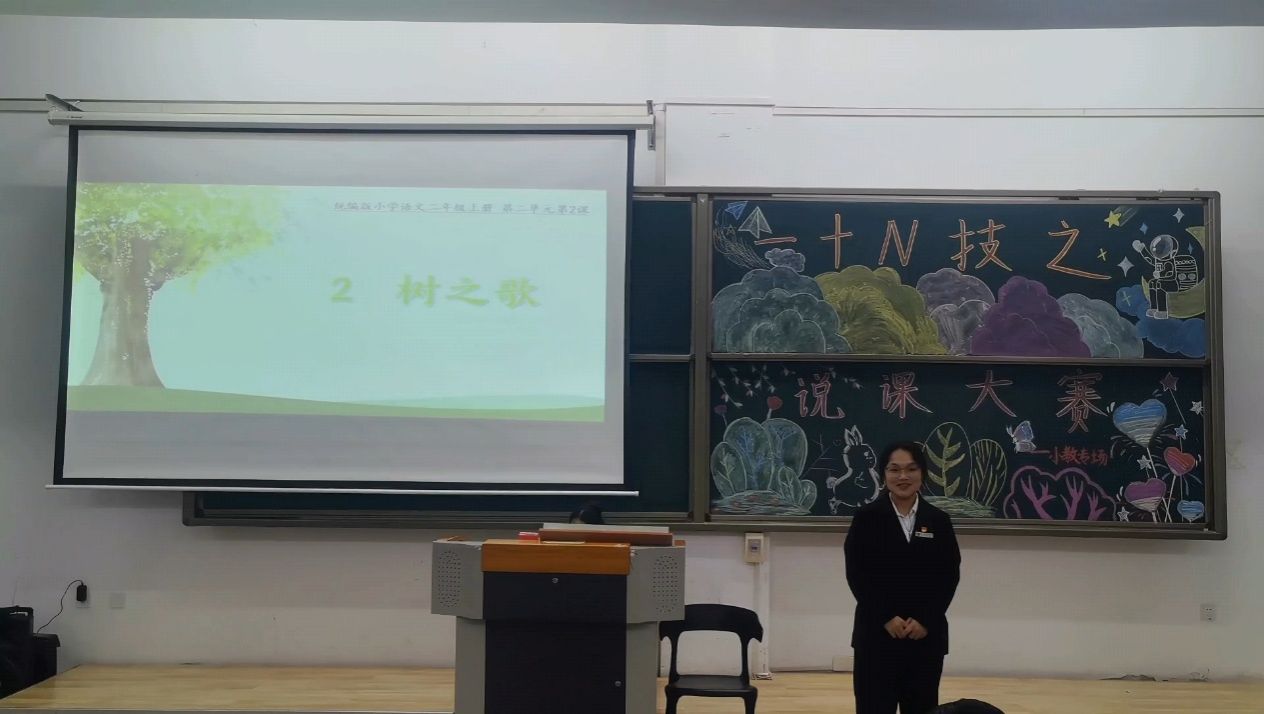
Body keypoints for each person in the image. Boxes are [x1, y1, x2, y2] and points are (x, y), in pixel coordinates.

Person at [844, 441, 961, 714]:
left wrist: (926, 619)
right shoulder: (866, 518)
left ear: (923, 473)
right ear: (884, 474)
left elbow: (949, 576)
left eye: (911, 469)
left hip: (924, 638)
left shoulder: (939, 520)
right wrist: (886, 617)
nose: (903, 476)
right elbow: (857, 574)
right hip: (876, 636)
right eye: (894, 469)